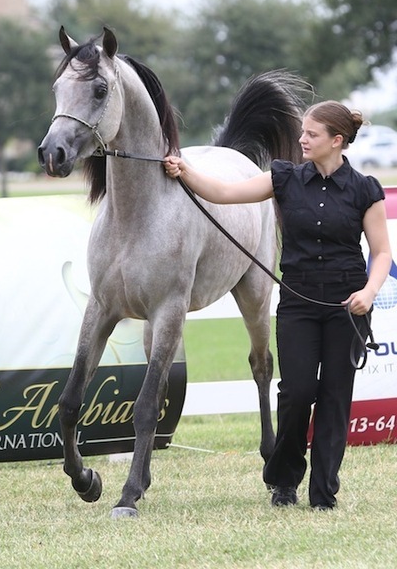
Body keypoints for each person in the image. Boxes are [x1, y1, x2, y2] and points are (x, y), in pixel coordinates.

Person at [164, 101, 392, 511]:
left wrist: (370, 292)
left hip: (348, 308)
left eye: (311, 134)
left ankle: (324, 493)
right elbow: (226, 193)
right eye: (302, 131)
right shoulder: (284, 178)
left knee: (336, 398)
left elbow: (380, 253)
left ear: (336, 141)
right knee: (297, 392)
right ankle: (283, 481)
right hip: (298, 305)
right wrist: (186, 171)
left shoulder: (365, 189)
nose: (301, 139)